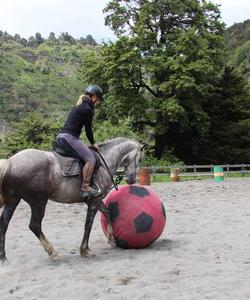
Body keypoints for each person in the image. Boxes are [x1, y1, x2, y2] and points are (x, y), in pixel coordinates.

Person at [56, 84, 103, 200]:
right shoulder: (87, 109)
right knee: (91, 159)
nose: (98, 103)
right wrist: (93, 143)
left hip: (62, 136)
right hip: (70, 137)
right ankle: (85, 186)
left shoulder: (80, 104)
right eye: (99, 100)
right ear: (94, 97)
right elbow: (88, 130)